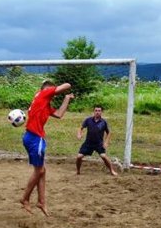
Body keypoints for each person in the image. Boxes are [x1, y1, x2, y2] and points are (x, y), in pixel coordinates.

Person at [21, 80, 74, 216]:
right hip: (34, 138)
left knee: (42, 171)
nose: (53, 93)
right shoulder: (43, 94)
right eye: (51, 90)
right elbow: (67, 85)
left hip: (32, 137)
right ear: (45, 89)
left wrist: (66, 98)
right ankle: (25, 198)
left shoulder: (43, 103)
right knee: (39, 171)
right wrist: (64, 87)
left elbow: (59, 114)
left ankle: (41, 201)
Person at [76, 106, 118, 176]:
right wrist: (79, 134)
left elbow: (109, 132)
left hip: (99, 143)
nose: (97, 112)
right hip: (88, 143)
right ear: (93, 112)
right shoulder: (88, 120)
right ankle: (78, 171)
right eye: (96, 110)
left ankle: (111, 170)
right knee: (79, 157)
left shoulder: (104, 122)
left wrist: (106, 142)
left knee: (104, 156)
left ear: (101, 112)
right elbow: (81, 128)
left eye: (99, 111)